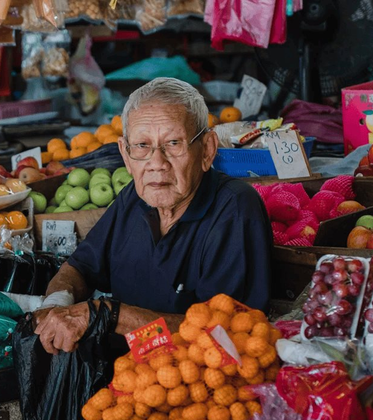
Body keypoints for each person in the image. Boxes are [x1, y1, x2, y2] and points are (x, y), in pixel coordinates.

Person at [35, 77, 273, 355]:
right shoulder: (135, 197)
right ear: (125, 155)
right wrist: (54, 305)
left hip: (186, 377)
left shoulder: (235, 208)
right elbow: (79, 268)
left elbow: (225, 335)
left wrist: (111, 315)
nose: (157, 163)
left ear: (207, 150)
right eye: (142, 146)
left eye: (173, 143)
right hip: (125, 374)